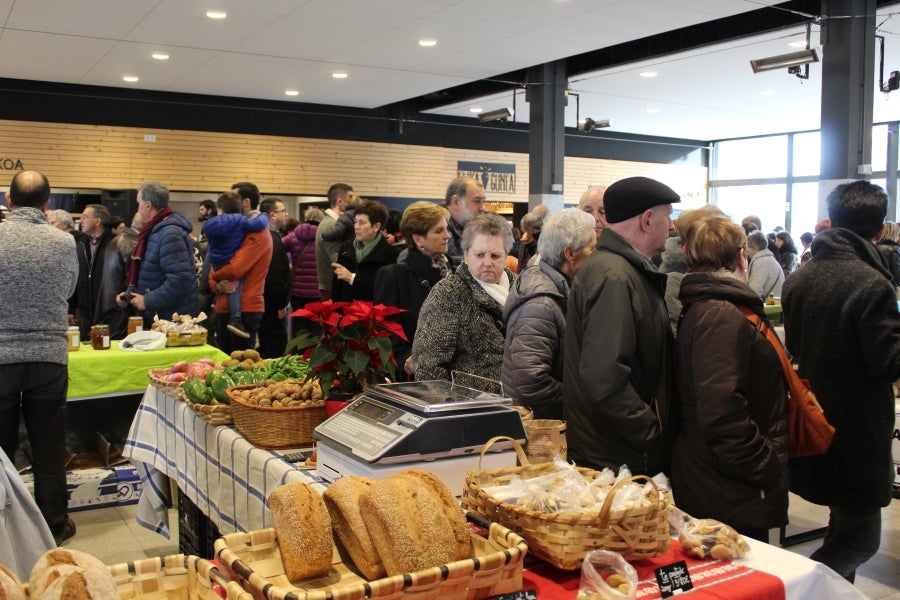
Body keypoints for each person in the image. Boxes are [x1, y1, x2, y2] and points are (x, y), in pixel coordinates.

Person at [782, 180, 900, 583]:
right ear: (880, 230)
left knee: (841, 524)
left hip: (815, 419)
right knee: (860, 540)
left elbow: (795, 346)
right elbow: (888, 364)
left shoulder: (800, 278)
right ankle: (798, 587)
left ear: (832, 221)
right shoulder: (872, 283)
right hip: (859, 430)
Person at [672, 209, 788, 542]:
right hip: (727, 487)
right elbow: (722, 413)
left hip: (720, 480)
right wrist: (766, 466)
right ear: (741, 256)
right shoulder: (720, 314)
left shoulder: (711, 307)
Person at [563, 176, 680, 476]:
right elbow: (604, 377)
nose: (672, 226)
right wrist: (651, 432)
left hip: (618, 450)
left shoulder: (622, 270)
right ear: (647, 220)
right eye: (668, 215)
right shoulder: (615, 276)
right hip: (619, 457)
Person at [0, 171, 79, 544]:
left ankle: (7, 531)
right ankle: (54, 526)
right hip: (48, 357)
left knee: (1, 454)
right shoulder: (63, 243)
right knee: (48, 450)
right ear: (48, 203)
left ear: (8, 200)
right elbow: (68, 290)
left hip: (1, 358)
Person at [502, 209, 596, 419]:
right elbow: (530, 382)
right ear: (570, 254)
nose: (596, 256)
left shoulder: (559, 289)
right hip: (541, 431)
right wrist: (583, 402)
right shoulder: (541, 304)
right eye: (592, 248)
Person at [412, 212, 514, 393]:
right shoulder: (448, 293)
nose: (487, 263)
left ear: (506, 256)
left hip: (521, 404)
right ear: (466, 255)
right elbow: (428, 368)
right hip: (469, 409)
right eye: (479, 255)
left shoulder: (521, 288)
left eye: (495, 255)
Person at [374, 201, 451, 378]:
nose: (447, 236)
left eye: (446, 229)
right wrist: (408, 359)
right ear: (417, 239)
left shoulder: (451, 271)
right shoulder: (394, 276)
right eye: (439, 231)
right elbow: (386, 333)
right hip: (412, 379)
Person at [118, 181, 199, 327]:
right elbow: (151, 273)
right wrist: (131, 295)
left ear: (148, 205)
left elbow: (179, 281)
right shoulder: (154, 231)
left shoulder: (170, 234)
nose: (138, 209)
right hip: (159, 316)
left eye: (139, 204)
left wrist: (147, 300)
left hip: (171, 321)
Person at [208, 201, 273, 355]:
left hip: (246, 308)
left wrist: (215, 276)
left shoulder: (259, 233)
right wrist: (217, 285)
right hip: (224, 306)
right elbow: (212, 269)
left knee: (243, 366)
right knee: (224, 363)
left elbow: (235, 269)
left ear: (246, 202)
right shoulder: (234, 230)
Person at [331, 200, 398, 302]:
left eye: (361, 222)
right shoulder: (346, 248)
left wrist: (352, 278)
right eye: (355, 221)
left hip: (372, 314)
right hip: (345, 313)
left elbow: (384, 290)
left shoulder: (391, 254)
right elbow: (336, 287)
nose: (356, 227)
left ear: (376, 226)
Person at [71, 204, 118, 339]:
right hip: (84, 313)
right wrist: (71, 308)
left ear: (98, 221)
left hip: (107, 312)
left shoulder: (114, 244)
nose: (81, 220)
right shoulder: (80, 245)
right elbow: (74, 277)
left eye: (85, 217)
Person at [257, 197, 292, 358]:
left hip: (266, 301)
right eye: (282, 211)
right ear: (272, 215)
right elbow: (275, 274)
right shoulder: (271, 238)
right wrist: (280, 304)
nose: (286, 214)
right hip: (271, 304)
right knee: (274, 348)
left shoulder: (266, 235)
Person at [285, 207, 324, 336]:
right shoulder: (323, 238)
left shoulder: (293, 236)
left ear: (306, 219)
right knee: (314, 326)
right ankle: (312, 354)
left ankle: (297, 353)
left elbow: (278, 248)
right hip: (316, 290)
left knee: (298, 325)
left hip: (297, 291)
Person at [316, 183, 352, 300]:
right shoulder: (331, 225)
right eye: (351, 199)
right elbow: (337, 261)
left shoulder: (331, 222)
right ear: (340, 202)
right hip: (332, 288)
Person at [443, 176, 486, 270]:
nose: (483, 208)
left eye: (483, 201)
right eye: (477, 201)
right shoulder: (439, 237)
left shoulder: (478, 234)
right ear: (456, 202)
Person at [746, 230, 784, 300]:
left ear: (755, 248)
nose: (747, 254)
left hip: (770, 308)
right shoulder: (768, 259)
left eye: (748, 250)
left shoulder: (761, 262)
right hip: (775, 305)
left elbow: (754, 292)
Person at [876, 220, 900, 288]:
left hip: (876, 284)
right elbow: (898, 274)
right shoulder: (894, 249)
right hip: (889, 287)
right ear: (894, 233)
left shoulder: (874, 247)